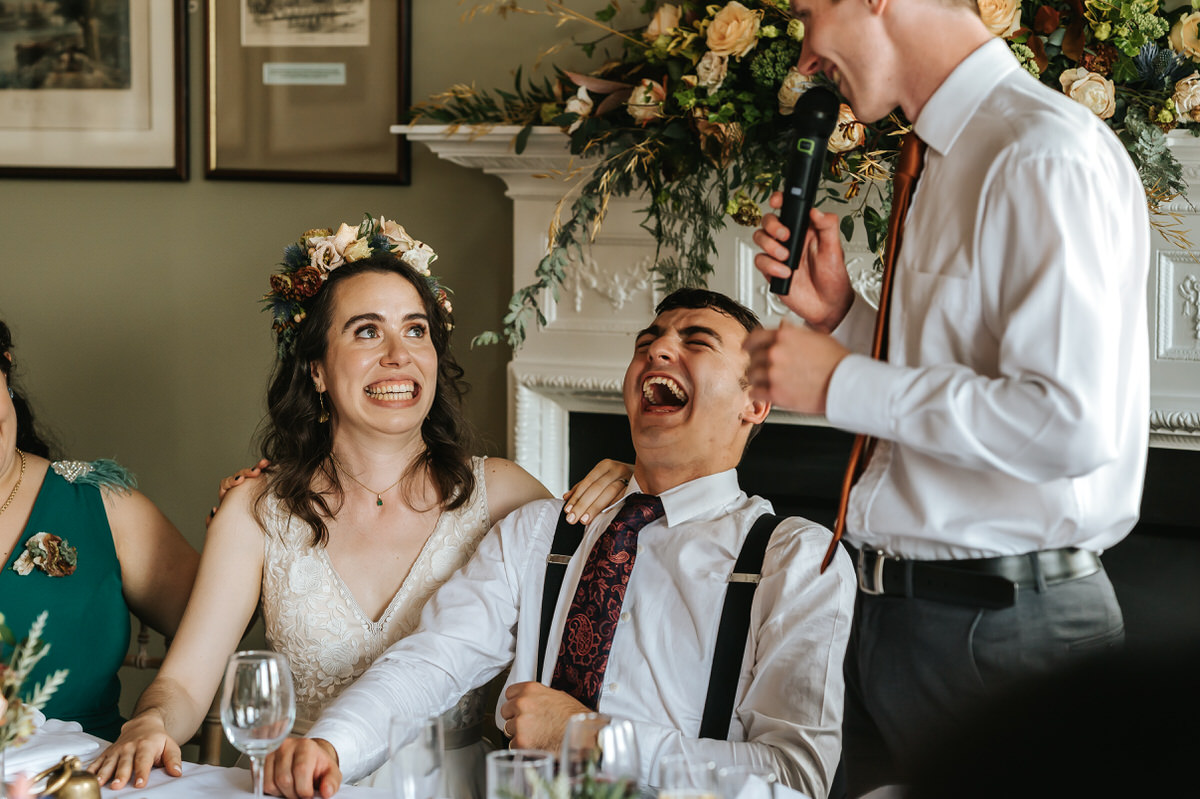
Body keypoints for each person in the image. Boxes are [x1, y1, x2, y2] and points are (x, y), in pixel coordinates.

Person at [746, 0, 1149, 794]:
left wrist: (837, 382)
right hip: (899, 622)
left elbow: (1068, 422)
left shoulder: (1040, 154)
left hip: (1004, 637)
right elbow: (969, 378)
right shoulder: (946, 155)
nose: (804, 58)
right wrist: (845, 321)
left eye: (806, 15)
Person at [88, 217, 627, 796]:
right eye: (367, 332)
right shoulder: (257, 508)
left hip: (453, 786)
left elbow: (614, 619)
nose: (399, 355)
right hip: (301, 786)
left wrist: (634, 482)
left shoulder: (505, 495)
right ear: (316, 369)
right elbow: (186, 686)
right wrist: (150, 722)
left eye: (416, 331)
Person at [263, 288, 857, 799]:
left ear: (755, 402)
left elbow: (792, 779)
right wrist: (331, 745)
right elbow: (434, 659)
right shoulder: (541, 530)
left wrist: (591, 737)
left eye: (696, 341)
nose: (657, 349)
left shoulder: (798, 561)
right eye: (646, 341)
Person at [0, 318, 200, 740]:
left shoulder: (101, 505)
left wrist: (242, 533)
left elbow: (219, 621)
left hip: (93, 780)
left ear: (4, 369)